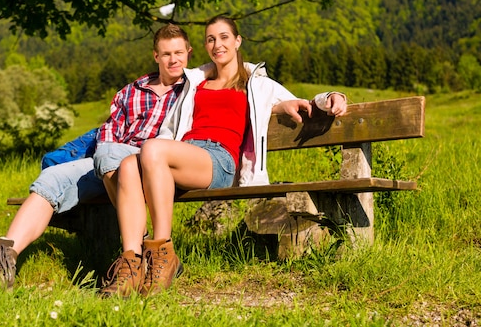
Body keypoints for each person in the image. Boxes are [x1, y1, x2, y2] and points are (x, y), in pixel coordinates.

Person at [100, 15, 347, 297]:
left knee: (152, 149)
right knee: (129, 165)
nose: (217, 44)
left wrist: (332, 97)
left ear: (238, 41)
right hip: (185, 155)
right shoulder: (195, 82)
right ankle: (131, 265)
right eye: (210, 39)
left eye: (224, 37)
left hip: (218, 160)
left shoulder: (255, 83)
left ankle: (163, 255)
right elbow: (171, 126)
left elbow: (299, 100)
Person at [0, 24, 198, 289]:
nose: (173, 59)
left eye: (179, 52)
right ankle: (3, 260)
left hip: (154, 162)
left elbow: (230, 69)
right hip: (111, 160)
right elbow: (109, 132)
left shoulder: (194, 89)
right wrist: (107, 154)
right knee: (52, 177)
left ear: (188, 52)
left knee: (110, 153)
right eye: (166, 54)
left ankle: (136, 253)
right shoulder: (131, 91)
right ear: (156, 56)